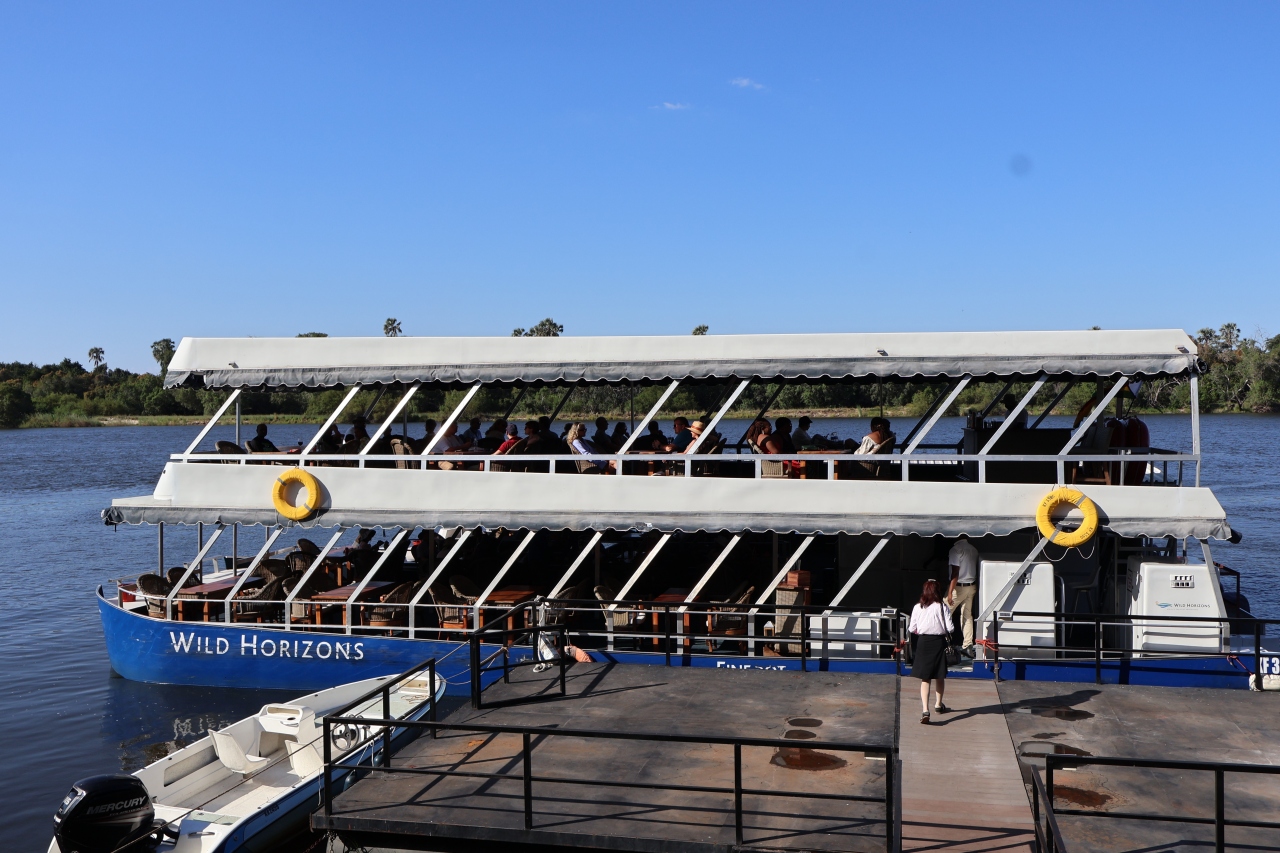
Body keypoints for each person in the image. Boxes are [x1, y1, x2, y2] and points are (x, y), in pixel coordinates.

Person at [908, 579, 953, 724]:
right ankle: (938, 705)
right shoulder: (942, 607)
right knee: (939, 675)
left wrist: (922, 629)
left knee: (925, 678)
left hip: (923, 642)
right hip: (938, 643)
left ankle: (925, 710)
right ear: (937, 591)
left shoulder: (918, 607)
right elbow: (950, 628)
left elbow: (912, 628)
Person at [946, 534, 980, 658]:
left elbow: (955, 572)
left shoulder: (955, 550)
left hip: (959, 587)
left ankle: (945, 644)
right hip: (971, 586)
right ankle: (968, 646)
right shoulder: (973, 549)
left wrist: (950, 592)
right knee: (967, 616)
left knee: (943, 613)